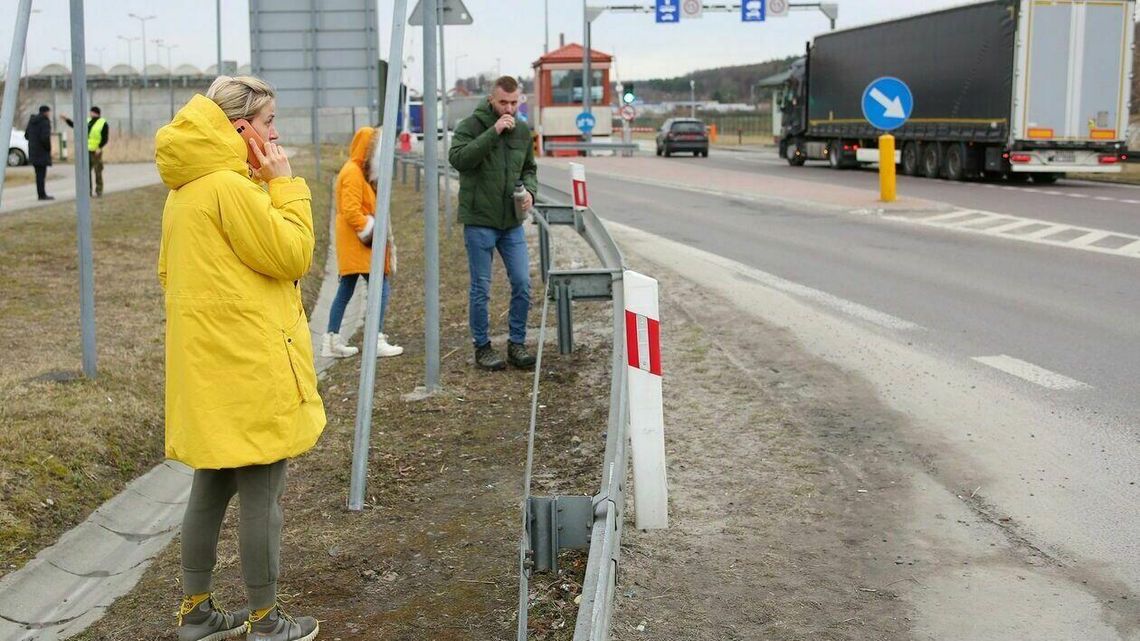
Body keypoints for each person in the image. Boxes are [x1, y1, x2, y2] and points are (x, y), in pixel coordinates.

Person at [155, 75, 323, 641]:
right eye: (269, 122)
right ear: (240, 128)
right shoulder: (229, 188)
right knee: (262, 494)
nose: (277, 133)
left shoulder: (184, 190)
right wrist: (286, 184)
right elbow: (293, 254)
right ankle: (266, 621)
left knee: (210, 488)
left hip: (207, 366)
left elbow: (169, 276)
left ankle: (196, 612)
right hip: (250, 365)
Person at [448, 75, 538, 371]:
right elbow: (459, 159)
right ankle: (483, 347)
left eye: (514, 103)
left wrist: (531, 193)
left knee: (523, 283)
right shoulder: (471, 125)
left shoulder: (523, 130)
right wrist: (494, 131)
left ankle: (517, 343)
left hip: (511, 221)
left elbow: (529, 168)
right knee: (481, 288)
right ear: (491, 99)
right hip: (479, 220)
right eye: (503, 103)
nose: (509, 109)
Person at [322, 125, 403, 359]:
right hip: (360, 242)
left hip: (354, 243)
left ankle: (332, 340)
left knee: (347, 288)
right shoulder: (353, 173)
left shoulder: (358, 172)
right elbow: (350, 210)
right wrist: (370, 229)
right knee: (380, 286)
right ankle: (374, 338)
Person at [61, 106, 110, 197]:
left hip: (96, 151)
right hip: (86, 151)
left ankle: (99, 190)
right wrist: (66, 120)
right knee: (86, 172)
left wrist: (100, 147)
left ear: (96, 113)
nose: (90, 113)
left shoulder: (103, 123)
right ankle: (88, 191)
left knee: (97, 171)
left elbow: (105, 138)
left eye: (91, 112)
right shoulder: (87, 121)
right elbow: (76, 126)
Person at [24, 105, 54, 201]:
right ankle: (42, 195)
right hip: (42, 152)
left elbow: (26, 135)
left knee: (38, 175)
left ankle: (40, 193)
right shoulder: (44, 122)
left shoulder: (32, 121)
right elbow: (45, 138)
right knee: (42, 174)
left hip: (33, 151)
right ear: (46, 112)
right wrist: (48, 149)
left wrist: (34, 142)